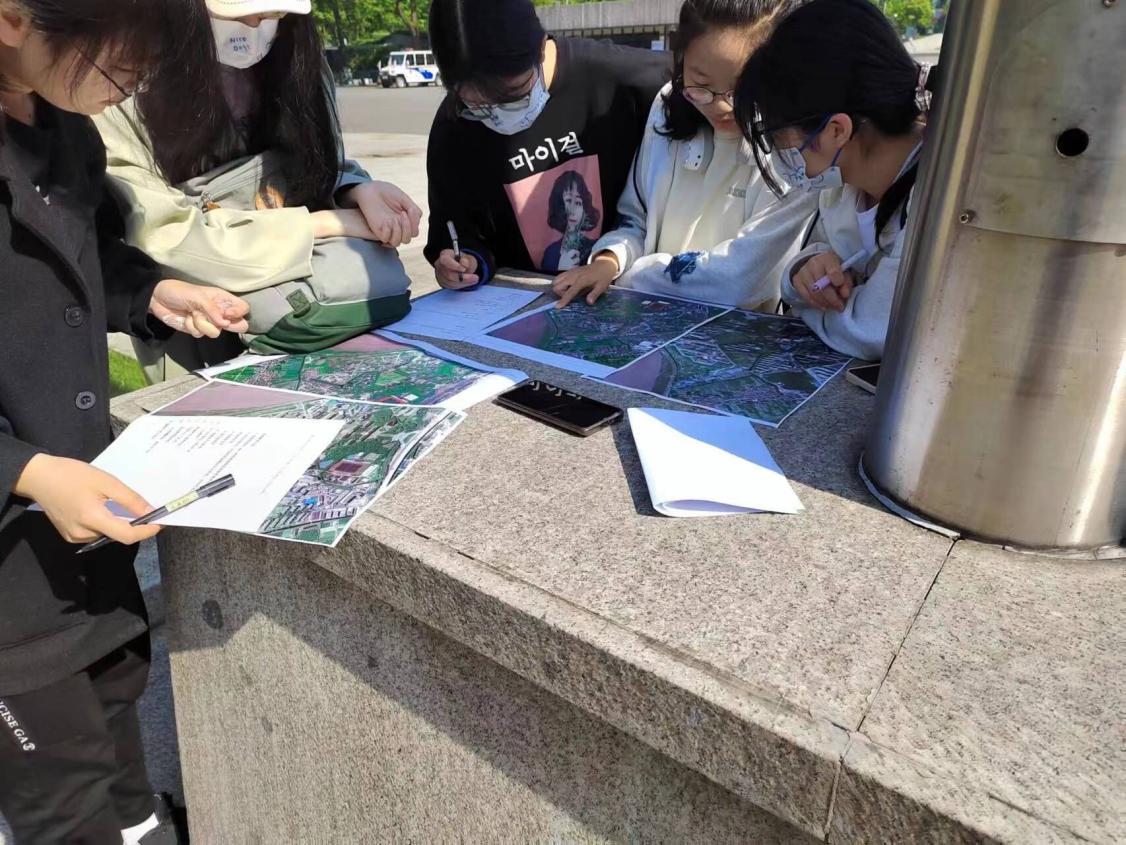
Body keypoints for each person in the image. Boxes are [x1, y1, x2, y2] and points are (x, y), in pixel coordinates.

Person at [0, 0, 251, 841]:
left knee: (116, 700)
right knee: (60, 787)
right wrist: (28, 472)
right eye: (118, 65)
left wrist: (153, 292)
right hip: (10, 577)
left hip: (88, 517)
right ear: (13, 18)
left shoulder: (63, 122)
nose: (129, 87)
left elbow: (88, 258)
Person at [94, 0, 423, 382]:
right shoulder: (127, 81)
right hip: (205, 325)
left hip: (326, 315)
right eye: (234, 13)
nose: (255, 25)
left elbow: (319, 162)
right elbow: (164, 234)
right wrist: (326, 224)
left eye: (274, 13)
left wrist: (357, 190)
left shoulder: (300, 57)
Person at [553, 0, 817, 311]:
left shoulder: (793, 151)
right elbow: (636, 217)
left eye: (740, 89)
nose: (721, 106)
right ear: (680, 61)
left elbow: (736, 280)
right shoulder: (667, 106)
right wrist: (609, 260)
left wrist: (631, 276)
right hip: (653, 316)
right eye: (701, 84)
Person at [734, 0, 936, 359]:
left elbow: (873, 331)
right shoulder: (840, 187)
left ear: (836, 130)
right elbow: (801, 273)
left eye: (778, 136)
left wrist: (808, 308)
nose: (779, 153)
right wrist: (804, 270)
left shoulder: (937, 198)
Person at [425, 0, 670, 290]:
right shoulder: (454, 125)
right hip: (522, 300)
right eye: (477, 105)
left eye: (515, 94)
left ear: (541, 46)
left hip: (624, 290)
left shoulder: (624, 78)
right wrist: (464, 263)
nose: (498, 114)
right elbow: (455, 232)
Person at [542, 170, 600, 273]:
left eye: (578, 203)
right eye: (568, 201)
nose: (573, 210)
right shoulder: (550, 252)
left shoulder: (596, 249)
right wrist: (561, 268)